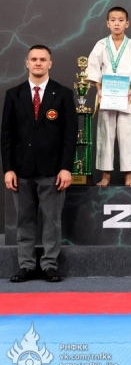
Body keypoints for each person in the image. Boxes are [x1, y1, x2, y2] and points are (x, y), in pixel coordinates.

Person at [2, 45, 77, 282]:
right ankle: (26, 265)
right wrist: (8, 169)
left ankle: (49, 265)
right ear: (27, 63)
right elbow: (6, 135)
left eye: (42, 59)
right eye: (33, 59)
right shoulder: (13, 95)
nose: (38, 62)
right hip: (21, 170)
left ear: (49, 64)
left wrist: (66, 168)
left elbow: (69, 135)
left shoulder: (62, 94)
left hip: (52, 170)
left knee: (52, 221)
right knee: (24, 220)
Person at [86, 6, 131, 186]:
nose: (116, 23)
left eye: (121, 20)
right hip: (106, 95)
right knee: (105, 135)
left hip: (126, 96)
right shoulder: (101, 44)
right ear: (107, 23)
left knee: (127, 135)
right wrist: (99, 89)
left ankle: (128, 177)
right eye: (113, 20)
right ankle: (106, 176)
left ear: (127, 23)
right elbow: (93, 67)